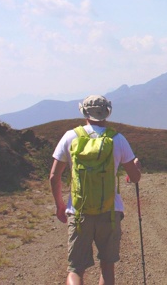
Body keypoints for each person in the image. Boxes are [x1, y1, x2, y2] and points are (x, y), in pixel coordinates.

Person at [50, 95, 142, 285]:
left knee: (75, 269)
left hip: (79, 212)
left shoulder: (70, 136)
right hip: (109, 213)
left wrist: (60, 205)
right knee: (107, 266)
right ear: (107, 113)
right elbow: (135, 178)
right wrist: (135, 166)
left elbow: (54, 176)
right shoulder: (118, 139)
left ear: (84, 112)